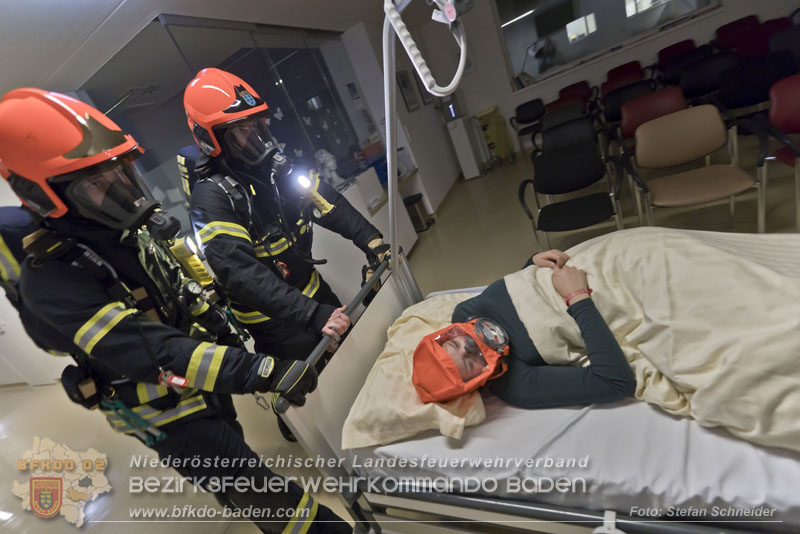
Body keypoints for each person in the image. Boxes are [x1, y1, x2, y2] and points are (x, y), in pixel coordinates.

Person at [0, 87, 352, 534]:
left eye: (120, 172)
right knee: (268, 493)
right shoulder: (51, 281)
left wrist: (221, 326)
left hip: (202, 378)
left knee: (237, 463)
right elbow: (154, 350)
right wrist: (261, 369)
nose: (121, 189)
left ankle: (236, 492)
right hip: (162, 408)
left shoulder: (122, 232)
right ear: (43, 194)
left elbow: (176, 288)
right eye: (96, 182)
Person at [181, 68, 389, 362]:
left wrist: (372, 241)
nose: (256, 138)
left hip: (315, 294)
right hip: (275, 322)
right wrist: (310, 314)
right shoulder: (211, 198)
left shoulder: (276, 170)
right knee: (325, 385)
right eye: (243, 130)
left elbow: (326, 200)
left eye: (258, 127)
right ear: (211, 138)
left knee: (358, 356)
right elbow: (242, 274)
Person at [413, 249, 636, 408]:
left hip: (594, 257)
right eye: (470, 361)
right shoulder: (518, 385)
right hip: (611, 292)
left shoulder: (462, 314)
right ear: (476, 383)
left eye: (454, 343)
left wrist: (531, 263)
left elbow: (515, 295)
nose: (469, 344)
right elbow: (614, 383)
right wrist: (577, 298)